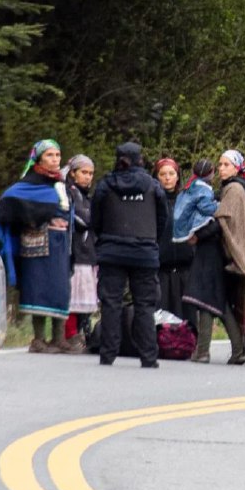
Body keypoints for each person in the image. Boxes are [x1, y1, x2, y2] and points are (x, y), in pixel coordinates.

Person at [0, 139, 79, 354]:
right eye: (49, 155)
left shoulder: (61, 184)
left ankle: (59, 338)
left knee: (60, 288)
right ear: (39, 158)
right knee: (39, 287)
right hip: (37, 245)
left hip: (61, 245)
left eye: (57, 155)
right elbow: (7, 203)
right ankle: (38, 339)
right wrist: (35, 218)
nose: (55, 160)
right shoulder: (28, 183)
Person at [91, 141, 168, 368]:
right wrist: (151, 241)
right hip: (144, 251)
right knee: (145, 305)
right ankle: (148, 357)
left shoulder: (106, 185)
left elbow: (96, 219)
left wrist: (105, 240)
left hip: (112, 251)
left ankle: (108, 355)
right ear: (140, 159)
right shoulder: (153, 186)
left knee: (111, 303)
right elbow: (162, 219)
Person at [183, 149, 245, 365]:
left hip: (219, 250)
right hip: (219, 250)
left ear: (237, 168)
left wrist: (197, 236)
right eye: (221, 165)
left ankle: (205, 351)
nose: (222, 169)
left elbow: (221, 221)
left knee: (208, 298)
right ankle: (234, 350)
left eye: (227, 165)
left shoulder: (234, 189)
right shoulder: (229, 189)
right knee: (215, 300)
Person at [153, 157, 195, 325]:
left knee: (187, 316)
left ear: (178, 176)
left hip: (186, 267)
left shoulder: (187, 200)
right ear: (156, 177)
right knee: (162, 316)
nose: (167, 178)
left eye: (171, 173)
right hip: (161, 268)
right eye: (163, 174)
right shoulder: (153, 201)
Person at [63, 154, 98, 348]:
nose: (88, 177)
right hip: (76, 252)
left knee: (85, 297)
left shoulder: (85, 195)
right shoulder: (71, 193)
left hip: (88, 252)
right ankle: (70, 335)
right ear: (73, 173)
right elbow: (84, 219)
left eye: (91, 173)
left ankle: (82, 334)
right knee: (74, 297)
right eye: (84, 172)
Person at [173, 158, 217, 243]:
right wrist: (217, 205)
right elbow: (206, 208)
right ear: (210, 173)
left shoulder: (192, 184)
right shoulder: (203, 189)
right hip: (189, 228)